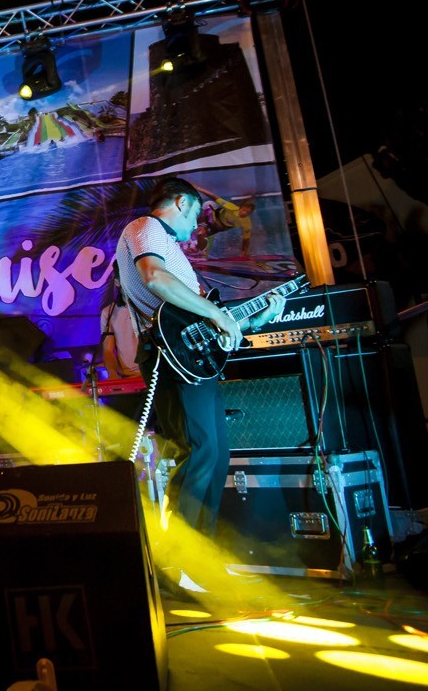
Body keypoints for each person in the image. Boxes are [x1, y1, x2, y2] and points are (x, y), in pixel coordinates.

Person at [115, 176, 285, 594]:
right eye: (195, 213)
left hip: (191, 360)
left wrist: (252, 320)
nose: (197, 225)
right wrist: (218, 313)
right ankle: (178, 563)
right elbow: (154, 278)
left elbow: (201, 326)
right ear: (180, 202)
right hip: (169, 359)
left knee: (216, 453)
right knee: (198, 450)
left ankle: (202, 559)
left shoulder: (172, 248)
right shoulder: (146, 228)